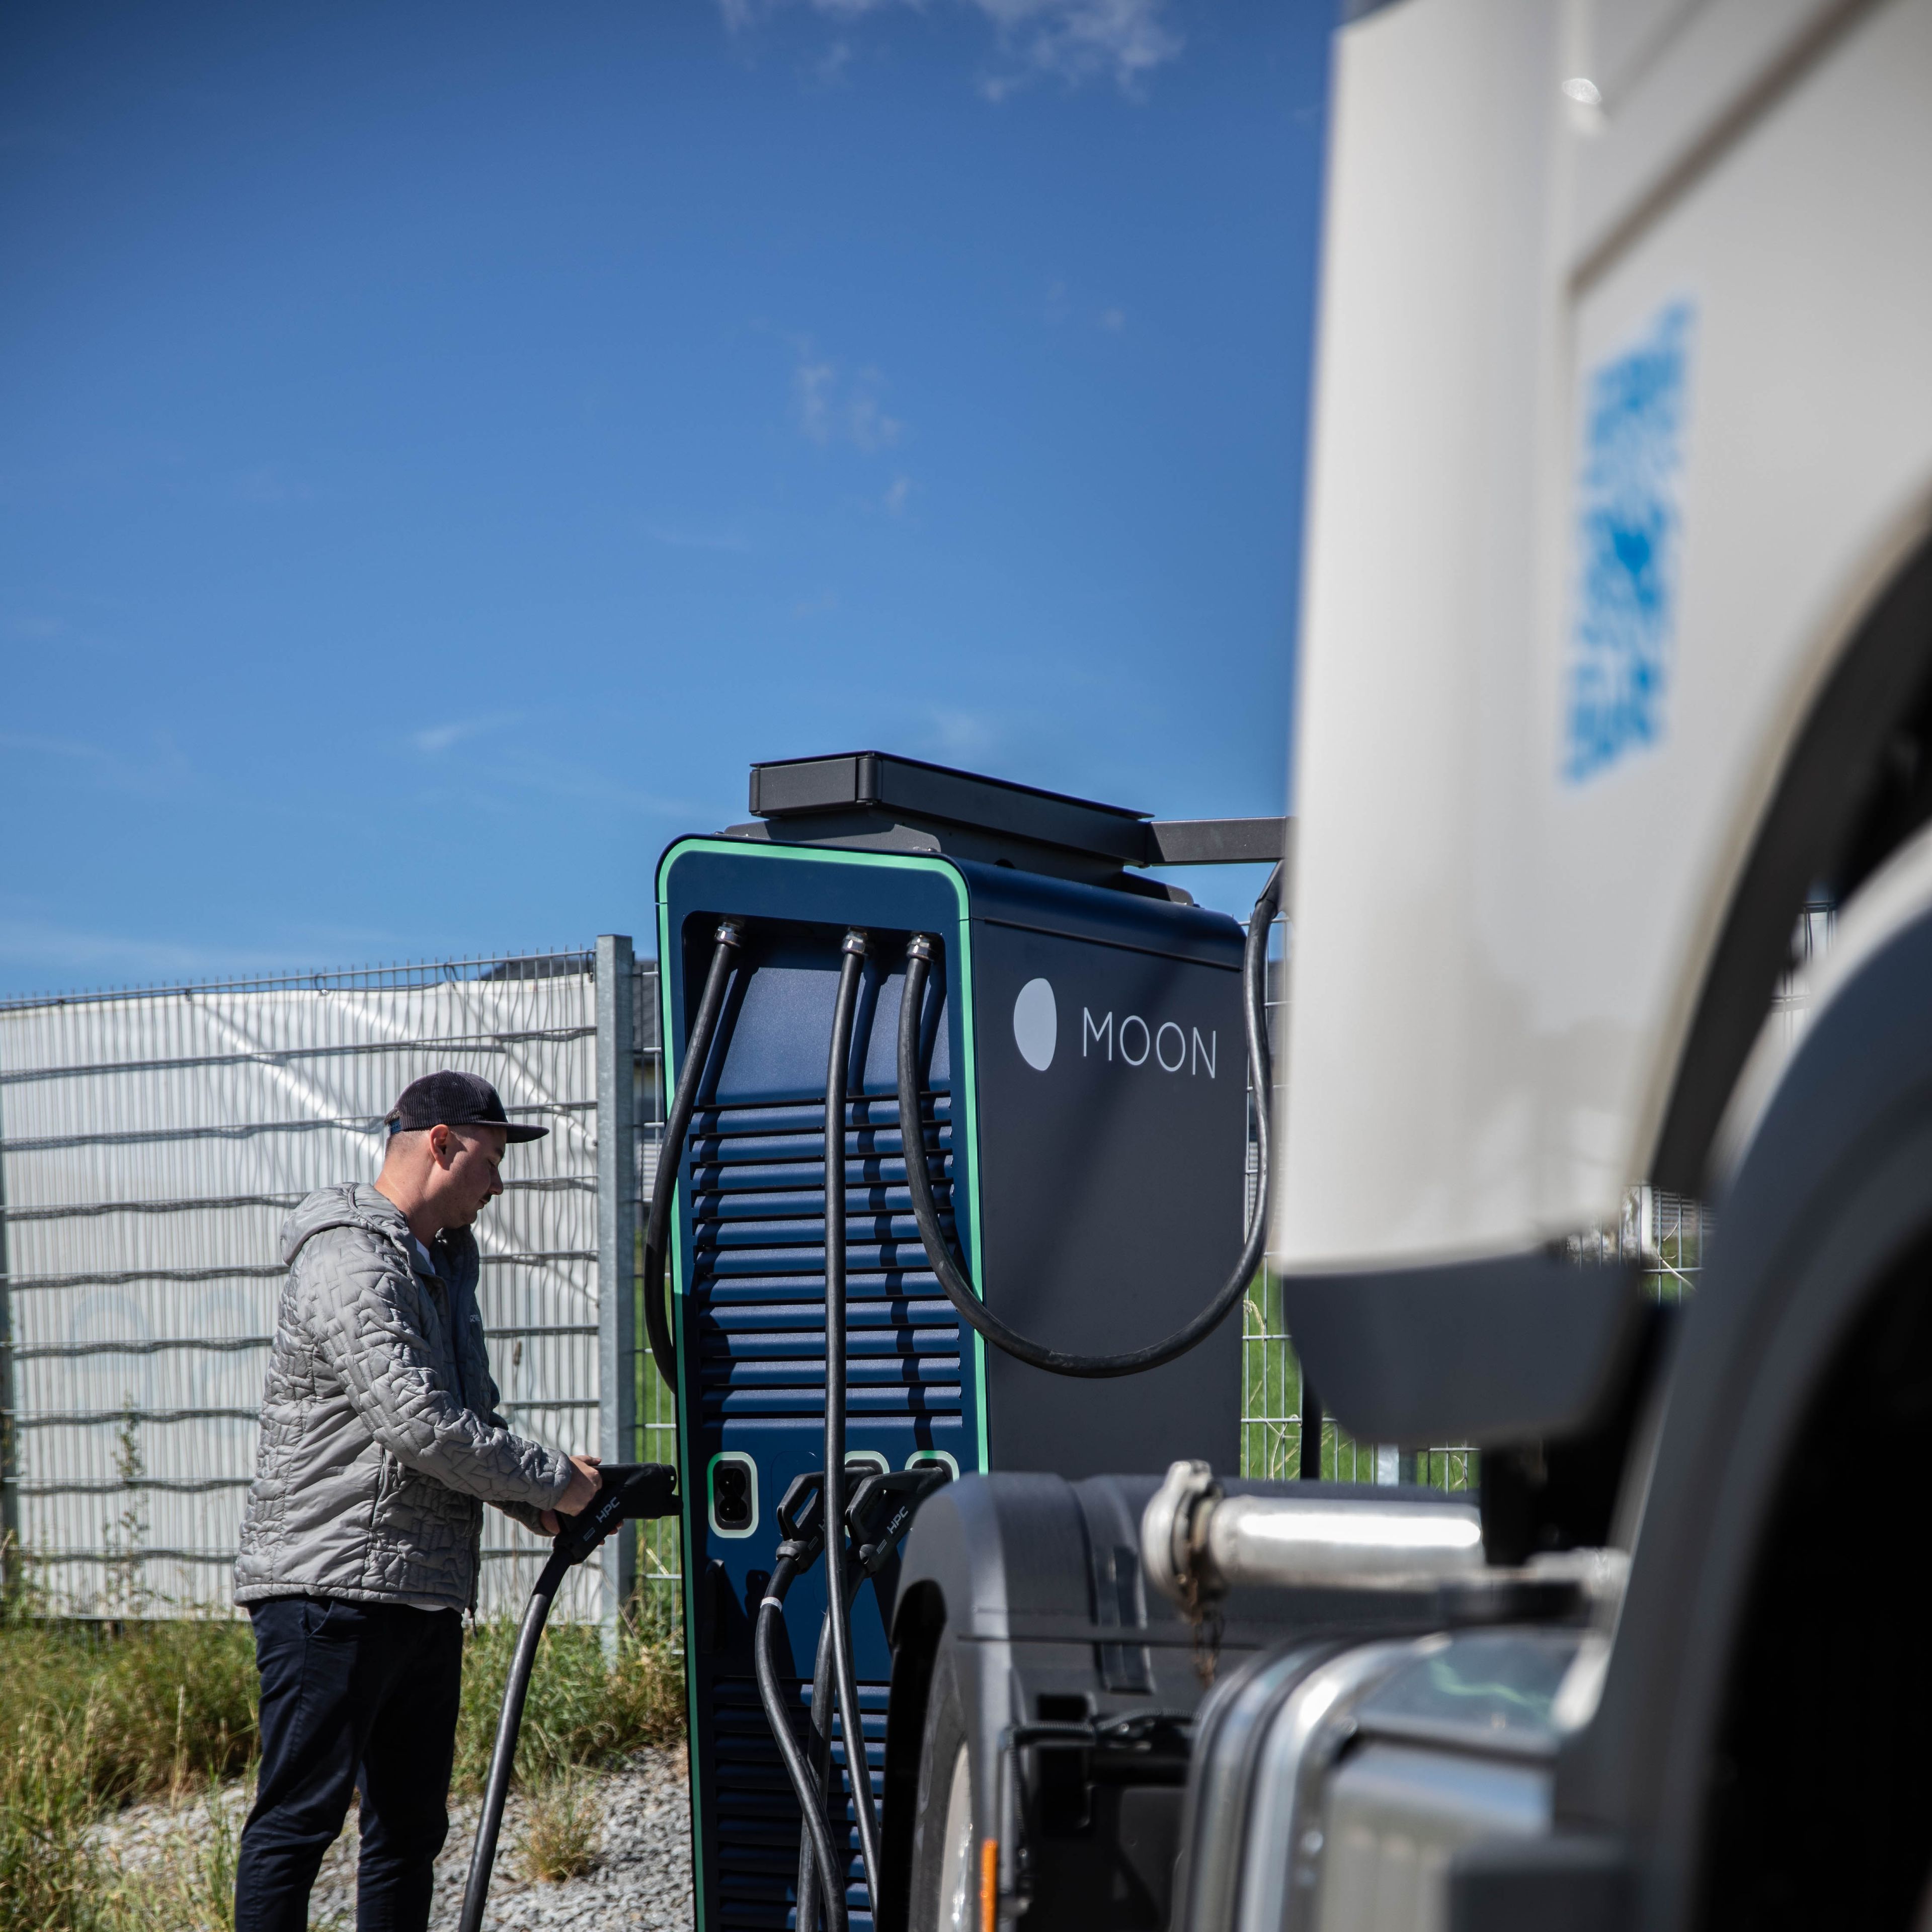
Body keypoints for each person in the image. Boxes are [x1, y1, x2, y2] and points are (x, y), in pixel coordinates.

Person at [231, 1070, 601, 1932]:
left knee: (408, 1833)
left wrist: (531, 1504)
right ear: (441, 1143)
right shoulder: (351, 1258)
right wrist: (550, 1478)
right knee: (298, 1826)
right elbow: (419, 1424)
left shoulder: (442, 1262)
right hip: (330, 1594)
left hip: (420, 1592)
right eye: (492, 1158)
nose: (500, 1183)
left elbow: (465, 1418)